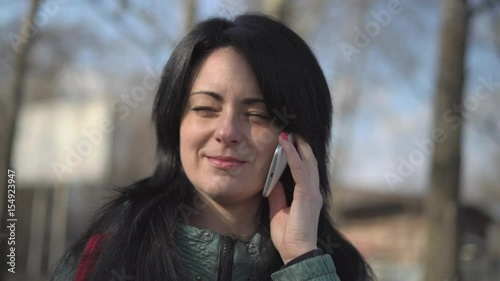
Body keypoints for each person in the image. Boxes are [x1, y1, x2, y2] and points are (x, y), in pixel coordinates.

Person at [51, 14, 374, 281]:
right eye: (205, 108)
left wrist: (302, 259)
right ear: (174, 122)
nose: (227, 132)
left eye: (258, 114)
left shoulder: (341, 269)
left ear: (299, 139)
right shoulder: (101, 257)